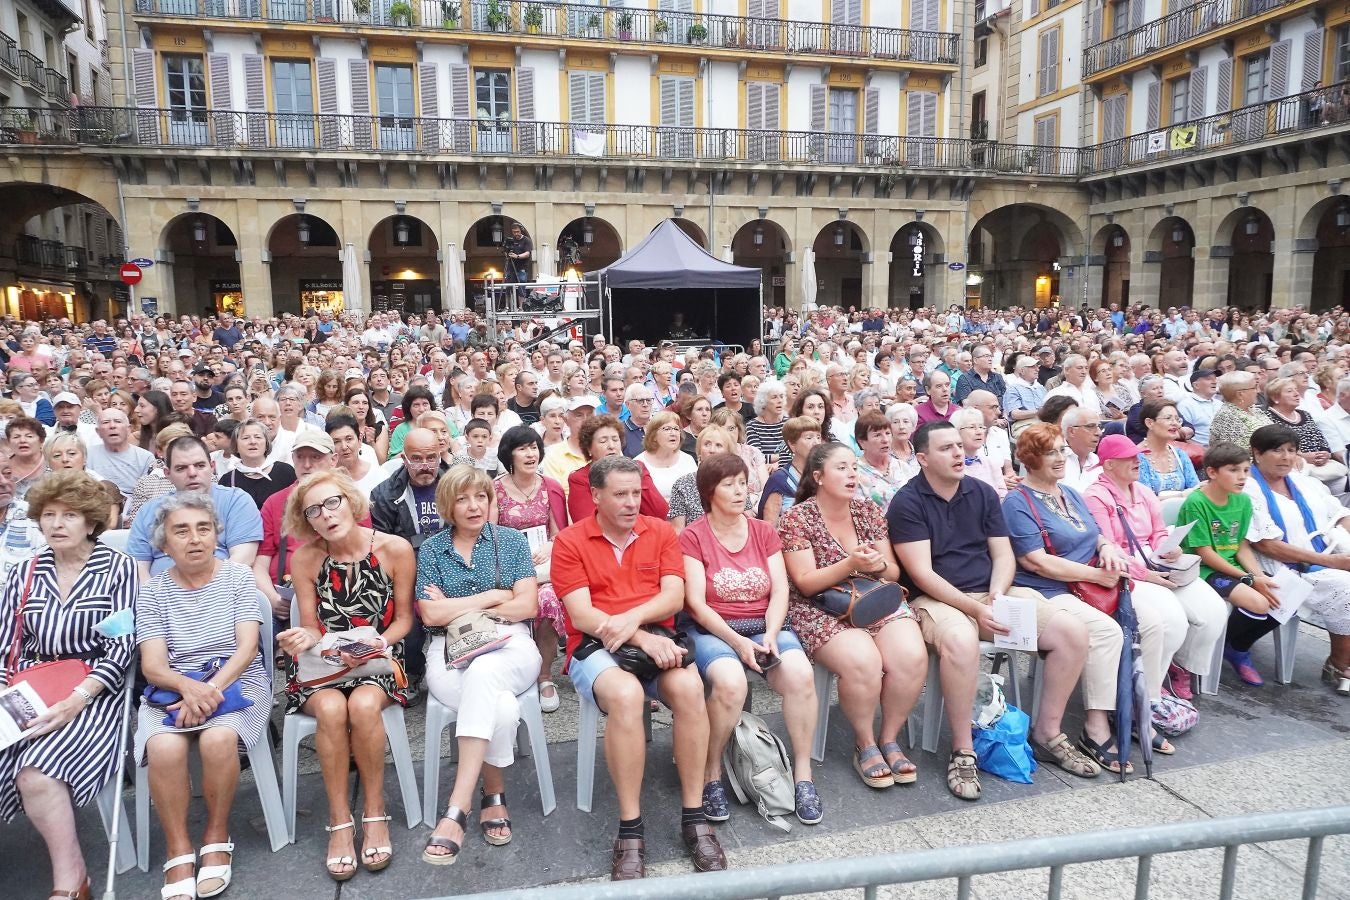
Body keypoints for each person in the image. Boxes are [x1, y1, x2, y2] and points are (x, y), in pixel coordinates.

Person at [890, 422, 1102, 793]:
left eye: (960, 445)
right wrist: (973, 610)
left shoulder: (983, 492)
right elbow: (921, 574)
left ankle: (1048, 733)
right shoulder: (908, 502)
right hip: (937, 598)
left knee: (1072, 632)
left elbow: (1003, 554)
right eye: (946, 448)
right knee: (960, 641)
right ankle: (963, 749)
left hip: (991, 591)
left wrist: (997, 594)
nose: (958, 453)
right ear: (922, 458)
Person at [552, 455, 727, 879]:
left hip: (655, 639)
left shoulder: (661, 531)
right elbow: (581, 616)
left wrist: (636, 625)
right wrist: (640, 633)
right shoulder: (571, 541)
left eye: (636, 492)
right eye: (620, 494)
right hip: (595, 645)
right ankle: (630, 827)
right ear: (595, 495)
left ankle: (693, 814)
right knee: (627, 696)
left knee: (689, 690)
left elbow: (673, 597)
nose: (632, 503)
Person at [0, 471, 137, 900]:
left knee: (36, 771)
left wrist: (78, 699)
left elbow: (122, 647)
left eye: (70, 515)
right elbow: (6, 648)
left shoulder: (118, 568)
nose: (57, 524)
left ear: (92, 522)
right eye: (50, 515)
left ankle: (71, 879)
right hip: (29, 688)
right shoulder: (25, 572)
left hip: (96, 690)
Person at [277, 471, 415, 881]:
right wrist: (303, 636)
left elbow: (405, 621)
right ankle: (340, 820)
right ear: (307, 521)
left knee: (365, 702)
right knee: (335, 708)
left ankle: (374, 811)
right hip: (324, 665)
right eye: (313, 511)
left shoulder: (395, 548)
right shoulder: (305, 558)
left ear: (350, 501)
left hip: (380, 657)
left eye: (332, 502)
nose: (325, 515)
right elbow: (313, 628)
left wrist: (374, 647)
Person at [136, 492, 272, 900]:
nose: (194, 539)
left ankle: (216, 834)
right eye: (181, 531)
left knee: (217, 739)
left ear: (216, 535)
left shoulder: (237, 577)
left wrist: (211, 689)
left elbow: (247, 648)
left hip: (238, 680)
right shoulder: (153, 591)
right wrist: (189, 688)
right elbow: (153, 665)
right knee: (163, 748)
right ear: (164, 545)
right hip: (173, 687)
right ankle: (178, 846)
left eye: (203, 529)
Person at [679, 452, 821, 825]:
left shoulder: (762, 531)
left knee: (800, 676)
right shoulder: (693, 536)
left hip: (765, 624)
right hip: (714, 628)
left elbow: (779, 591)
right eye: (729, 484)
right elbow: (694, 602)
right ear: (710, 492)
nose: (739, 490)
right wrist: (738, 643)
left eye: (743, 482)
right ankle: (711, 774)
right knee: (730, 683)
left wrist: (771, 634)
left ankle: (803, 775)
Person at [779, 443, 928, 790]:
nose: (852, 475)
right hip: (819, 606)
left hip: (875, 598)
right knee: (863, 661)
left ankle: (889, 737)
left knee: (911, 655)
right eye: (842, 468)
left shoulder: (867, 511)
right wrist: (850, 564)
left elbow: (891, 572)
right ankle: (865, 741)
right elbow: (804, 582)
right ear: (818, 476)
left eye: (854, 468)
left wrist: (877, 565)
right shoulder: (797, 518)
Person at [1002, 423, 1145, 774]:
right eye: (1050, 452)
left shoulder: (1068, 491)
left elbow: (1096, 533)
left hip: (1087, 583)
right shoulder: (1017, 502)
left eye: (1061, 450)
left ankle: (1139, 709)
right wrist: (1097, 575)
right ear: (1030, 459)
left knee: (1154, 620)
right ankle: (1095, 726)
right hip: (1044, 588)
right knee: (1106, 632)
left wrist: (1108, 547)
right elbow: (1035, 561)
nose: (1060, 457)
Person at [418, 465, 542, 864]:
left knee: (486, 672)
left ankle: (457, 807)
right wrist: (493, 594)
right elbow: (430, 616)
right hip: (449, 650)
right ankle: (493, 793)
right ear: (447, 505)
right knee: (501, 707)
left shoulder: (508, 541)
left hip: (512, 645)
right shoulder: (433, 548)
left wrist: (454, 606)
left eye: (481, 497)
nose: (474, 506)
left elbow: (527, 605)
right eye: (462, 498)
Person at [1083, 434, 1227, 702]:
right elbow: (1108, 548)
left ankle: (1179, 667)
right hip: (1125, 568)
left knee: (1214, 611)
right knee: (1171, 622)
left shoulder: (1144, 491)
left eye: (1137, 456)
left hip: (1157, 560)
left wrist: (1171, 547)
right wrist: (1147, 576)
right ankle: (1150, 688)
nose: (1137, 461)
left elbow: (1158, 533)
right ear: (1109, 464)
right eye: (1128, 458)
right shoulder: (1095, 496)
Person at [1242, 425, 1350, 694]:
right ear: (1257, 453)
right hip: (1282, 566)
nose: (1286, 457)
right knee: (1345, 586)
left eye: (1291, 451)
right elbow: (1266, 545)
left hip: (1325, 555)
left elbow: (1338, 514)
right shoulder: (1249, 489)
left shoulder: (1304, 481)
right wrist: (1332, 562)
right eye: (1277, 451)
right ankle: (1339, 664)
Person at [1175, 441, 1284, 687]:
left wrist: (1257, 575)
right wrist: (1249, 579)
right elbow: (1205, 553)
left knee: (1285, 598)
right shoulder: (1197, 502)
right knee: (1258, 602)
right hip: (1205, 569)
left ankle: (1236, 647)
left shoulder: (1243, 501)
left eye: (1246, 470)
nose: (1242, 477)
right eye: (1234, 470)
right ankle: (1232, 647)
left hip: (1234, 564)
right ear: (1212, 472)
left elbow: (1241, 546)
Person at [491, 426, 569, 714]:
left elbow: (562, 532)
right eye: (522, 448)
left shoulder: (551, 486)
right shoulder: (495, 489)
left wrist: (551, 545)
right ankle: (515, 672)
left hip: (544, 566)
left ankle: (544, 674)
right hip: (508, 566)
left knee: (548, 599)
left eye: (534, 447)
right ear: (509, 454)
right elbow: (489, 536)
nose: (530, 453)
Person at [127, 436, 263, 579]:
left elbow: (243, 558)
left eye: (200, 465)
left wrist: (203, 593)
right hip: (161, 597)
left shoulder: (236, 501)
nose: (192, 473)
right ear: (168, 474)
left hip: (222, 594)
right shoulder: (149, 510)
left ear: (212, 466)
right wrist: (156, 597)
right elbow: (138, 567)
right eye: (181, 468)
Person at [567, 415, 669, 522]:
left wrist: (633, 477)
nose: (611, 446)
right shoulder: (580, 478)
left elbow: (661, 513)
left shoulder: (637, 468)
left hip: (642, 534)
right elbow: (585, 522)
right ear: (588, 448)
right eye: (603, 441)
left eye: (615, 440)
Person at [1263, 375, 1346, 490]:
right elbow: (1275, 446)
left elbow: (1321, 440)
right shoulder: (1267, 418)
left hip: (1323, 467)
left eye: (1296, 390)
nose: (1296, 394)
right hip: (1296, 469)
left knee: (1344, 483)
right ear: (1275, 397)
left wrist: (1325, 454)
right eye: (1289, 391)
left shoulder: (1304, 414)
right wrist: (1302, 457)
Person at [668, 426, 740, 531]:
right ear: (699, 451)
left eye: (719, 445)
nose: (712, 450)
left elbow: (747, 521)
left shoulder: (737, 482)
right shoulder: (682, 485)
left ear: (728, 453)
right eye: (707, 444)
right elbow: (678, 531)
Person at [123, 423, 195, 527]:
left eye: (184, 445)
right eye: (172, 445)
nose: (179, 450)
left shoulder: (204, 477)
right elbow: (137, 524)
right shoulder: (146, 483)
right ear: (159, 451)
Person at [217, 418, 298, 509]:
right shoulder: (227, 481)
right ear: (236, 446)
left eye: (258, 437)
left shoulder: (286, 472)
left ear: (266, 444)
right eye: (246, 438)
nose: (253, 442)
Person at [760, 416, 823, 527]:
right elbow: (769, 527)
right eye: (809, 438)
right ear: (792, 444)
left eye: (818, 437)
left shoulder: (826, 474)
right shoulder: (779, 480)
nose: (816, 442)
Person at [1135, 399, 1200, 498]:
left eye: (1177, 419)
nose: (1175, 424)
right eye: (1168, 418)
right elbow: (1144, 499)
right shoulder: (1136, 457)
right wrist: (1181, 495)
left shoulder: (1179, 454)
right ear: (1150, 423)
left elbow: (1196, 490)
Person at [636, 412, 698, 500]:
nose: (673, 433)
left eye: (676, 429)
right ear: (653, 436)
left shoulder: (688, 460)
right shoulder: (639, 463)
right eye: (667, 429)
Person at [540, 397, 595, 492]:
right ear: (565, 420)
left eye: (590, 415)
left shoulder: (607, 446)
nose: (586, 420)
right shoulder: (553, 455)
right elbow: (555, 496)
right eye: (579, 415)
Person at [1209, 371, 1268, 453]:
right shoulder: (1227, 417)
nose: (1258, 391)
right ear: (1240, 394)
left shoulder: (1254, 410)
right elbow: (1238, 454)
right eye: (1254, 387)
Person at [5, 416, 49, 499]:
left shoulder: (53, 464)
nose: (22, 440)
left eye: (29, 436)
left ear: (41, 440)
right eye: (16, 437)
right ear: (9, 442)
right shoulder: (2, 466)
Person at [745, 381, 787, 464]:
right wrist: (784, 456)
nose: (780, 401)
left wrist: (777, 464)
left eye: (781, 397)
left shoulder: (789, 423)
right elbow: (755, 457)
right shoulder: (752, 426)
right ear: (763, 402)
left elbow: (797, 452)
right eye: (774, 397)